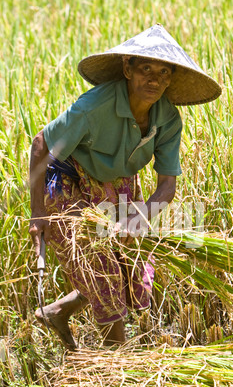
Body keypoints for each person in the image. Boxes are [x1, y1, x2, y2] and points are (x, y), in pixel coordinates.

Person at [29, 24, 221, 350]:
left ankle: (58, 312)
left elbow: (166, 185)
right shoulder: (94, 107)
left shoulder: (168, 119)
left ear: (171, 78)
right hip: (67, 179)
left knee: (132, 271)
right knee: (101, 272)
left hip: (117, 182)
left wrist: (142, 218)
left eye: (163, 72)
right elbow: (40, 145)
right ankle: (118, 366)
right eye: (145, 68)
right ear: (127, 68)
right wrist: (38, 214)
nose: (154, 79)